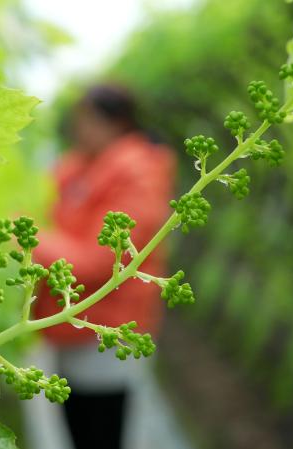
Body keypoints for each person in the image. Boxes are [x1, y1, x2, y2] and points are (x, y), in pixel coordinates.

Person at [33, 84, 176, 449]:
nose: (78, 127)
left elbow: (103, 261)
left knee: (98, 432)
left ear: (116, 122)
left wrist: (27, 236)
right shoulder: (85, 164)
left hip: (109, 330)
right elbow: (48, 196)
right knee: (78, 424)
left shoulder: (139, 172)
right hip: (76, 320)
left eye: (86, 118)